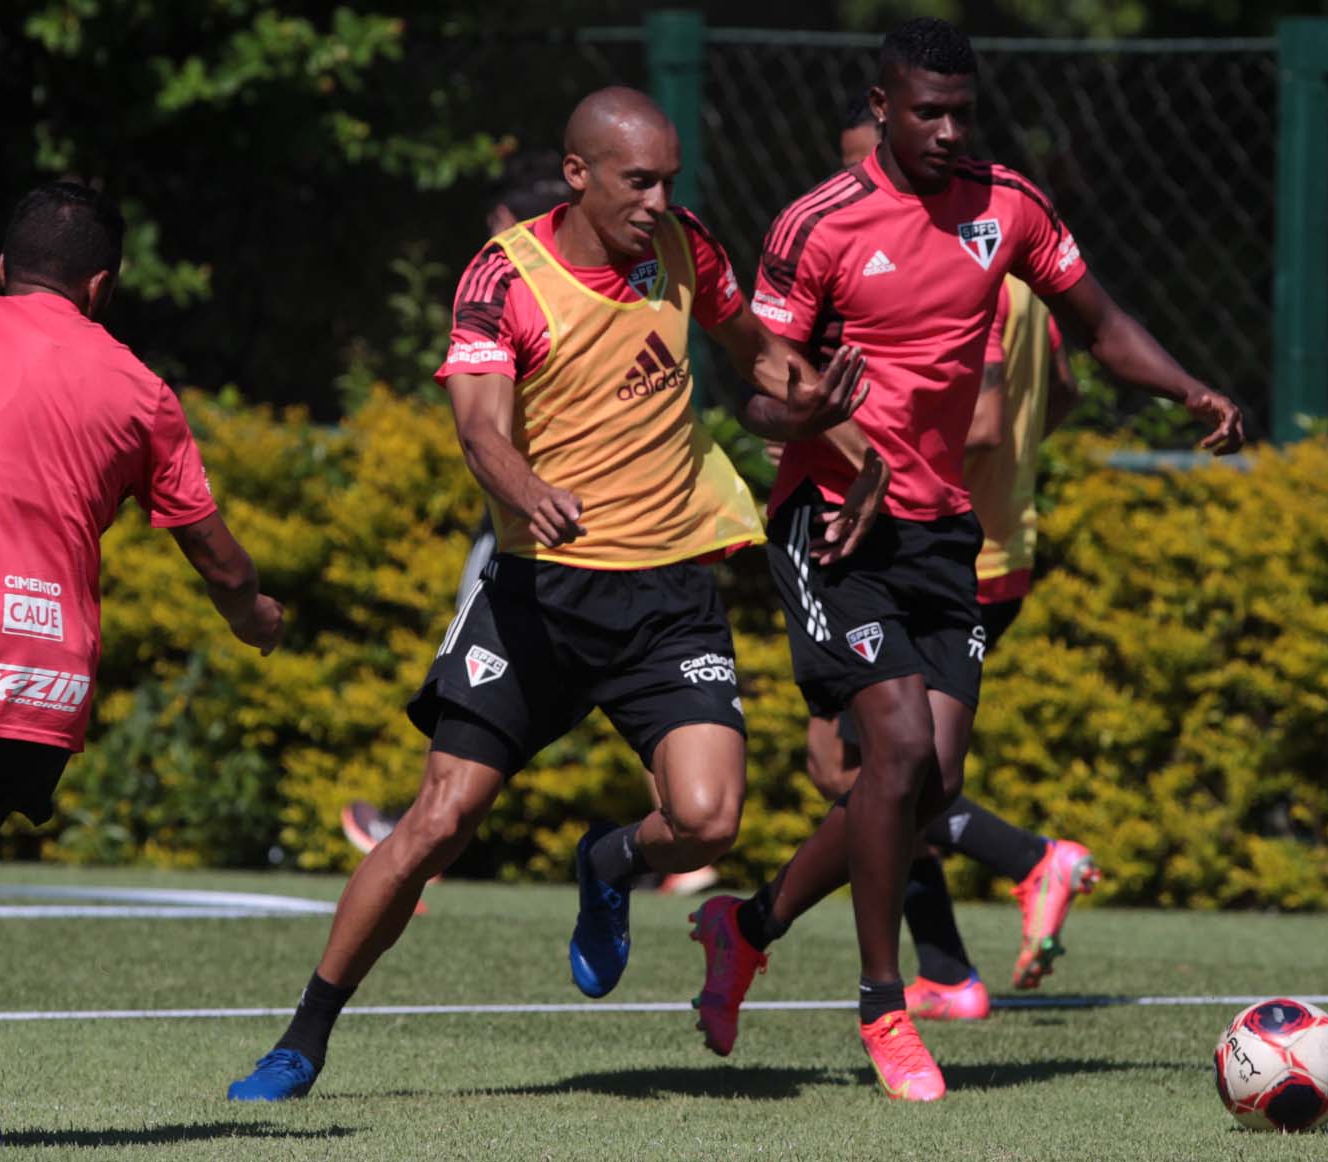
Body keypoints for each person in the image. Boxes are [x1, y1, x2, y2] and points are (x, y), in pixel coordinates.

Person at [226, 86, 880, 1102]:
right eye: (638, 180)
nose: (658, 199)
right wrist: (526, 490)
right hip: (540, 596)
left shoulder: (684, 246)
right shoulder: (503, 277)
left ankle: (608, 861)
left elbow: (755, 357)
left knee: (709, 821)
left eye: (669, 179)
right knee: (439, 821)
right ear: (576, 174)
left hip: (668, 592)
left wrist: (833, 427)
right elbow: (480, 426)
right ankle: (303, 1035)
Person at [689, 19, 1243, 1103]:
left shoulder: (1009, 205)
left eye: (963, 112)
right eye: (926, 112)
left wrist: (1186, 389)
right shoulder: (818, 224)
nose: (948, 131)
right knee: (889, 749)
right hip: (832, 519)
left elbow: (1099, 322)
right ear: (880, 107)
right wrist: (804, 405)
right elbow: (752, 385)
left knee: (928, 779)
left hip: (943, 528)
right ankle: (884, 1008)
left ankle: (744, 927)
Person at [339, 149, 718, 897]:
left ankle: (426, 838)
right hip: (549, 534)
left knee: (631, 700)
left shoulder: (630, 262)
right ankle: (431, 830)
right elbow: (482, 431)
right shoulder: (505, 285)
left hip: (586, 551)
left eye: (501, 227)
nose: (495, 244)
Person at [797, 95, 1101, 1022]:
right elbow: (1068, 394)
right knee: (889, 769)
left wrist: (871, 461)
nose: (863, 191)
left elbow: (976, 422)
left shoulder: (979, 277)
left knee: (864, 770)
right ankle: (946, 967)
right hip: (999, 540)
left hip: (941, 542)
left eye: (870, 165)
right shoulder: (1022, 279)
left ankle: (1017, 870)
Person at [0, 182, 286, 829]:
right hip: (38, 683)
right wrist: (253, 615)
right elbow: (223, 566)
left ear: (0, 270)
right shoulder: (140, 391)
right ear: (100, 288)